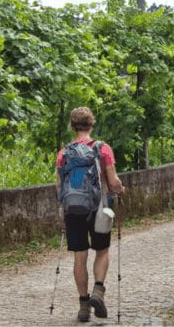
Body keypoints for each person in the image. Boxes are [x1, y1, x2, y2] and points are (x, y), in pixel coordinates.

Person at [55, 107, 125, 322]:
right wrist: (120, 189)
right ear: (91, 124)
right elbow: (113, 182)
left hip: (73, 208)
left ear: (72, 125)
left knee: (79, 256)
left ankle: (84, 305)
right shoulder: (102, 149)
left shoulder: (64, 152)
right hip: (99, 207)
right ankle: (98, 291)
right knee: (102, 250)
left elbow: (59, 186)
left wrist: (63, 210)